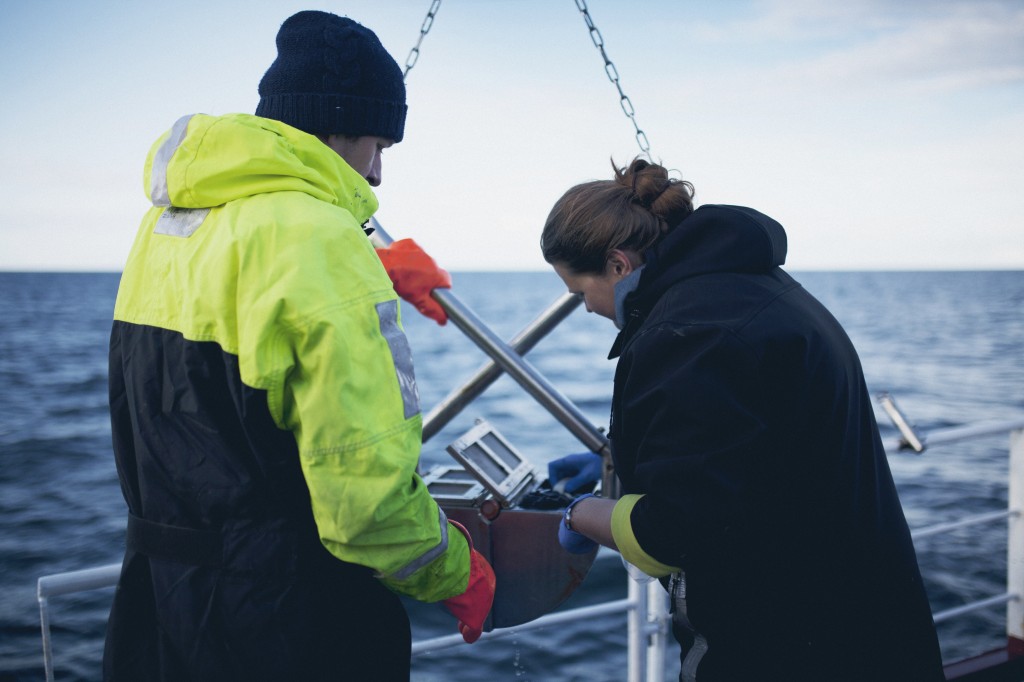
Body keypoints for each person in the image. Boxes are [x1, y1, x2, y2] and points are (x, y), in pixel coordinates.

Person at [104, 11, 494, 682]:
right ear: (342, 127)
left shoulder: (168, 222)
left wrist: (372, 262)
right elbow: (365, 510)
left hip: (158, 605)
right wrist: (458, 573)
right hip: (288, 625)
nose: (375, 176)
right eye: (380, 146)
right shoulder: (322, 240)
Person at [542, 158, 945, 681]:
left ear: (618, 265)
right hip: (865, 620)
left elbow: (674, 534)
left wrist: (579, 513)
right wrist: (618, 460)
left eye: (580, 293)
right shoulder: (754, 290)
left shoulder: (689, 334)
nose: (589, 308)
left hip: (785, 644)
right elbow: (752, 446)